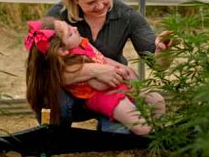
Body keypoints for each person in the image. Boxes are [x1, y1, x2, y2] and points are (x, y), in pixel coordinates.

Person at [46, 0, 173, 132]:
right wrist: (95, 71)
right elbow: (44, 69)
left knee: (118, 136)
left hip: (112, 90)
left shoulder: (127, 16)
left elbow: (157, 63)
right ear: (75, 0)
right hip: (71, 91)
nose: (100, 6)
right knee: (57, 104)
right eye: (91, 2)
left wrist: (164, 51)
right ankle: (53, 147)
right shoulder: (57, 19)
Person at [25, 17, 166, 135]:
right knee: (137, 123)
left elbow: (101, 58)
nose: (74, 28)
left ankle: (161, 131)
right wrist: (111, 73)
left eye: (69, 26)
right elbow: (99, 85)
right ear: (62, 50)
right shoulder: (72, 61)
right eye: (69, 33)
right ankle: (150, 137)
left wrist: (120, 68)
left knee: (157, 99)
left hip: (119, 83)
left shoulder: (82, 44)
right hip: (107, 95)